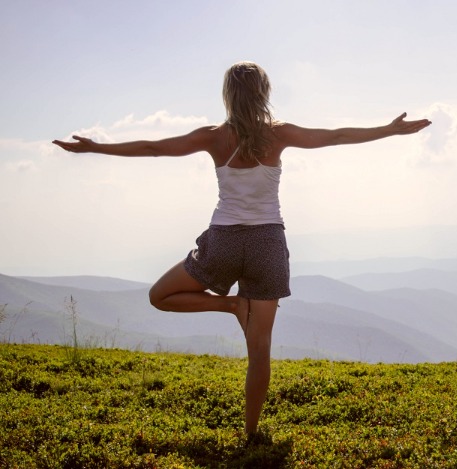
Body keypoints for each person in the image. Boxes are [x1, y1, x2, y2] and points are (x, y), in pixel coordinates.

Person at [52, 61, 431, 436]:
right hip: (268, 243)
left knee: (159, 296)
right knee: (260, 351)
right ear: (264, 93)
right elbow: (336, 137)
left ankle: (229, 304)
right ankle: (250, 433)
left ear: (227, 96)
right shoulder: (278, 134)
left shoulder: (214, 137)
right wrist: (389, 130)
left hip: (224, 243)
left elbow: (154, 147)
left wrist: (95, 148)